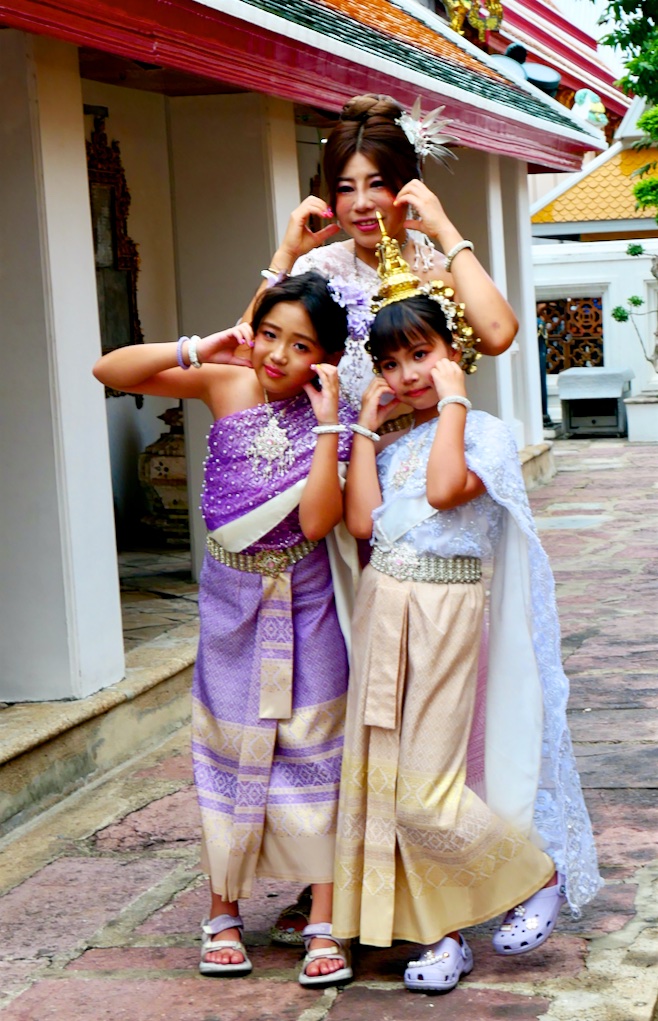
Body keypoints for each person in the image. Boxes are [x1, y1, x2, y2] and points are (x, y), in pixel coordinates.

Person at [331, 223, 602, 993]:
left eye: (421, 353)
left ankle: (534, 873)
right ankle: (438, 934)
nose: (406, 373)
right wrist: (363, 426)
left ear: (454, 350)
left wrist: (451, 399)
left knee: (427, 787)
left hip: (447, 614)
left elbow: (448, 491)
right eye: (390, 362)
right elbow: (361, 522)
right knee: (387, 783)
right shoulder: (391, 447)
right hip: (385, 609)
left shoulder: (484, 433)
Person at [93, 272, 360, 987]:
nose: (277, 355)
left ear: (328, 358)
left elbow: (315, 523)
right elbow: (108, 370)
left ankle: (324, 919)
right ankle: (223, 912)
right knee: (229, 748)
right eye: (270, 334)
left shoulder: (338, 417)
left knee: (316, 749)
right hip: (231, 600)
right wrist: (197, 347)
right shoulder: (227, 381)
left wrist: (328, 422)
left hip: (305, 596)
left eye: (300, 345)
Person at [245, 93, 517, 408]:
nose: (362, 204)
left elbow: (498, 336)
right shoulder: (317, 268)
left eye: (377, 184)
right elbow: (243, 351)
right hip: (331, 436)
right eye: (346, 189)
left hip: (424, 438)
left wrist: (445, 230)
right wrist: (285, 255)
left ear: (410, 185)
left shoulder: (441, 271)